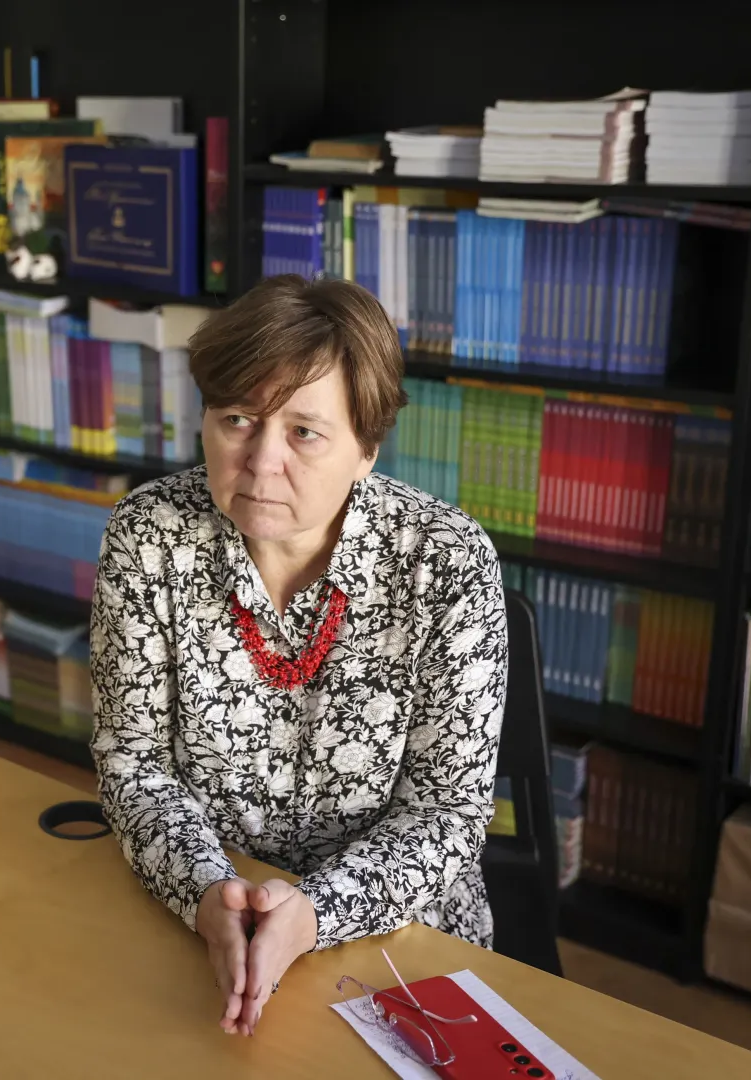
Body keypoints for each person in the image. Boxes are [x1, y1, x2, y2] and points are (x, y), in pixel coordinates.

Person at [89, 275, 507, 1037]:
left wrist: (314, 912)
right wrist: (209, 892)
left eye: (304, 432)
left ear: (366, 448)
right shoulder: (149, 536)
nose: (259, 461)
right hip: (204, 916)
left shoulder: (446, 562)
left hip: (397, 938)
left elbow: (446, 813)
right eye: (237, 419)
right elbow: (133, 763)